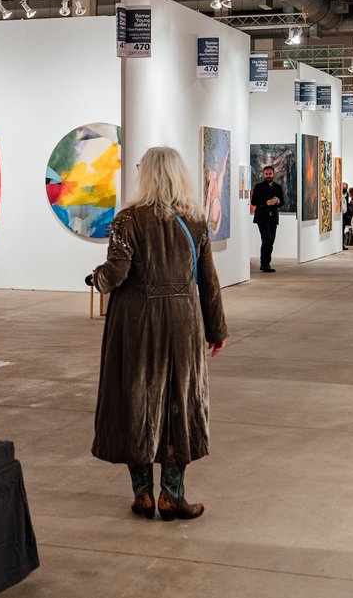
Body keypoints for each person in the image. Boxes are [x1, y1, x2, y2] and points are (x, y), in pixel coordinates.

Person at [88, 146, 227, 521]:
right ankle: (172, 494)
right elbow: (209, 282)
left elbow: (115, 274)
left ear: (145, 175)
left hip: (135, 321)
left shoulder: (127, 220)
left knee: (136, 399)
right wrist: (217, 329)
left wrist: (95, 278)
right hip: (182, 320)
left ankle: (143, 495)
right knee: (179, 404)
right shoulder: (195, 221)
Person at [250, 165, 283, 273]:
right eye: (266, 174)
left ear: (274, 174)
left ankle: (266, 263)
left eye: (270, 173)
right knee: (266, 240)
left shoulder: (278, 187)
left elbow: (282, 202)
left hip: (273, 217)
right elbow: (254, 201)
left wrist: (277, 201)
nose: (268, 176)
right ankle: (264, 264)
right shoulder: (258, 187)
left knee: (271, 241)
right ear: (263, 174)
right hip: (262, 217)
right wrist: (265, 203)